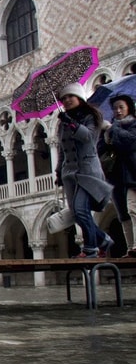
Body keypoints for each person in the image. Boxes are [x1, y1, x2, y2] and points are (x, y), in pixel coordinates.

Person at [54, 82, 114, 258]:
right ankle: (103, 240)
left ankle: (90, 249)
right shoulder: (62, 124)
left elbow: (88, 137)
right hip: (69, 173)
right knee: (77, 214)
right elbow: (62, 149)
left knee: (81, 210)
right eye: (64, 98)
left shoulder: (91, 117)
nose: (66, 100)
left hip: (87, 171)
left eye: (70, 96)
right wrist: (58, 171)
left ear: (79, 97)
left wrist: (71, 123)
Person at [99, 93, 136, 257]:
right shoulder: (108, 129)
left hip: (133, 173)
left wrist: (112, 129)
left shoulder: (133, 124)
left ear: (128, 108)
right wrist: (106, 135)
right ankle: (131, 248)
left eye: (121, 107)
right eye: (115, 108)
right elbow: (100, 149)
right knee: (123, 214)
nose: (118, 111)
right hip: (116, 176)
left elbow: (130, 142)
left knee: (133, 208)